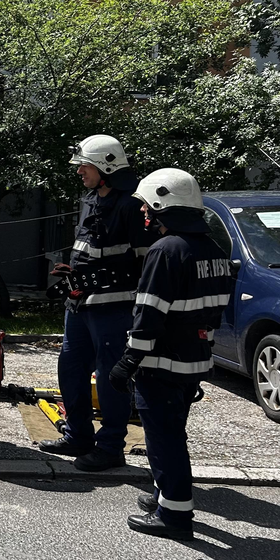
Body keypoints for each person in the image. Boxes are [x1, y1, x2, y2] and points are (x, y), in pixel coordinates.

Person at [108, 168, 234, 540]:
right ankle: (165, 496)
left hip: (161, 362)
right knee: (173, 431)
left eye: (148, 207)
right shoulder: (213, 250)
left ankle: (175, 516)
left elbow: (149, 312)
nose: (144, 215)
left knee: (165, 439)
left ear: (164, 205)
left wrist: (128, 361)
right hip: (194, 359)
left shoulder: (167, 250)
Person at [39, 135, 157, 472]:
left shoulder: (132, 205)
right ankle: (78, 435)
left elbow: (145, 264)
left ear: (106, 165)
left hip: (114, 309)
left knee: (110, 377)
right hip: (79, 305)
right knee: (71, 369)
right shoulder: (90, 199)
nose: (79, 171)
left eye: (84, 165)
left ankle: (110, 447)